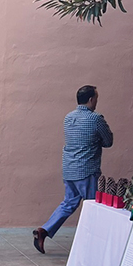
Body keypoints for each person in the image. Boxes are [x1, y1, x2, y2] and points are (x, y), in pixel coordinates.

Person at [33, 85, 113, 253]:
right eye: (96, 98)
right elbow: (108, 141)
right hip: (87, 169)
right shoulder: (96, 118)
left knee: (69, 202)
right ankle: (91, 243)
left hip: (69, 168)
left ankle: (44, 230)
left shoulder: (68, 118)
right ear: (91, 99)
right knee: (92, 205)